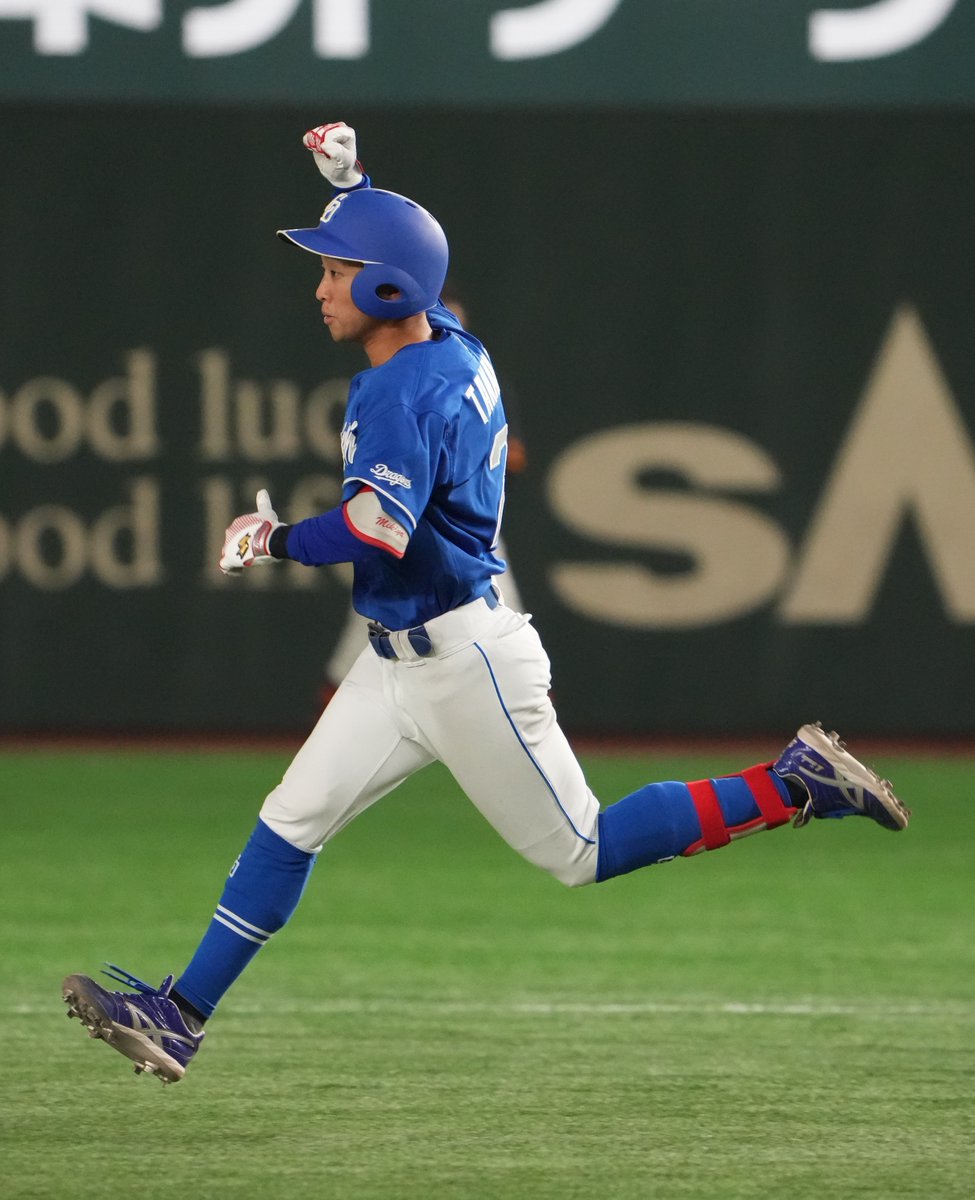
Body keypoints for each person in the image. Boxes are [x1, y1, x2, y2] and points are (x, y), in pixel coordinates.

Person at [61, 122, 911, 1084]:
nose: (319, 287)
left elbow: (377, 529)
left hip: (467, 662)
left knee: (583, 849)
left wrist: (274, 538)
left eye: (335, 271)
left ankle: (796, 783)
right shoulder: (451, 338)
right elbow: (410, 264)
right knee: (290, 820)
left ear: (385, 289)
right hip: (398, 662)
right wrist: (353, 184)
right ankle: (179, 1015)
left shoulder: (391, 396)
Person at [323, 280, 527, 696]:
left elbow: (516, 454)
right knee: (363, 634)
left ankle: (516, 714)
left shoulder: (457, 375)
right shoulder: (406, 383)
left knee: (500, 638)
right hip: (406, 521)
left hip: (462, 529)